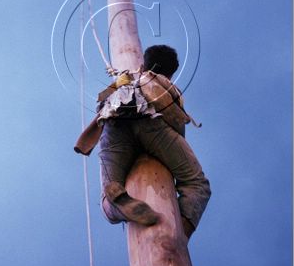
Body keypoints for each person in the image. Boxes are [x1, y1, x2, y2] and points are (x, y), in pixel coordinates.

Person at [75, 45, 211, 240]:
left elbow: (101, 103)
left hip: (114, 123)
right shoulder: (165, 84)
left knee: (109, 191)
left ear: (143, 63)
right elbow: (177, 121)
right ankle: (179, 233)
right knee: (197, 184)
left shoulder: (124, 81)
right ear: (170, 73)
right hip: (151, 123)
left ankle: (116, 202)